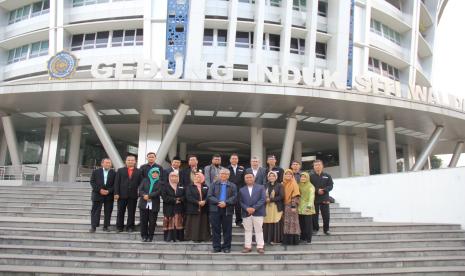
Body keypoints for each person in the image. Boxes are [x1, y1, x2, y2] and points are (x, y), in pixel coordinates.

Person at [207, 168, 237, 253]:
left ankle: (227, 247)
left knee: (227, 229)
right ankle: (216, 247)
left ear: (228, 175)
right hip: (215, 209)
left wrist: (226, 203)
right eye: (222, 174)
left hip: (227, 209)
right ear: (219, 175)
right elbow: (209, 196)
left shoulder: (233, 185)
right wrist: (219, 202)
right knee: (215, 229)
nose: (224, 175)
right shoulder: (213, 184)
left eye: (226, 174)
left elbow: (235, 197)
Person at [114, 155, 142, 232]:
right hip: (121, 195)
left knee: (131, 212)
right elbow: (116, 183)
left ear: (135, 161)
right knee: (120, 211)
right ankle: (119, 227)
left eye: (132, 160)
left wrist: (140, 193)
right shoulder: (120, 170)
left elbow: (141, 184)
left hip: (133, 195)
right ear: (125, 161)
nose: (130, 161)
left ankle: (130, 227)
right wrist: (116, 193)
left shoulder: (139, 171)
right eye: (128, 160)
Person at [239, 172, 266, 254]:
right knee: (247, 230)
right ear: (244, 179)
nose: (249, 179)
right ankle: (247, 247)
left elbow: (263, 199)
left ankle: (260, 247)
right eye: (247, 177)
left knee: (259, 230)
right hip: (246, 212)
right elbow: (240, 201)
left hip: (258, 212)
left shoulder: (261, 187)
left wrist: (254, 208)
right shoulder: (241, 189)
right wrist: (247, 208)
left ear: (254, 178)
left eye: (250, 177)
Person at [89, 158, 116, 233]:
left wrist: (109, 191)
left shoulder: (114, 173)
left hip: (109, 195)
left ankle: (106, 226)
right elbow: (92, 182)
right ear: (102, 163)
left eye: (109, 163)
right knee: (95, 211)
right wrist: (100, 190)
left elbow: (115, 184)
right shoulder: (95, 171)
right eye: (106, 163)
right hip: (97, 194)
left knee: (108, 211)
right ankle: (93, 227)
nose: (108, 164)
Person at [185, 172, 211, 242]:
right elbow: (188, 196)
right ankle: (194, 238)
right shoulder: (189, 187)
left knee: (203, 224)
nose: (196, 178)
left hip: (204, 208)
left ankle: (204, 237)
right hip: (193, 208)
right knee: (194, 224)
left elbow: (209, 195)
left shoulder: (205, 186)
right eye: (195, 177)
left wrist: (205, 201)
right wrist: (198, 202)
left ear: (202, 178)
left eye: (198, 177)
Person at [138, 167, 162, 242]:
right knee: (143, 221)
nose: (155, 174)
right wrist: (144, 195)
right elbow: (140, 189)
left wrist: (149, 196)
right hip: (144, 203)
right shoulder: (145, 180)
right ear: (150, 173)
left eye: (156, 173)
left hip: (154, 204)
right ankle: (144, 236)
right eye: (153, 173)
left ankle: (150, 236)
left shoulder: (160, 182)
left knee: (152, 222)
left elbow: (158, 191)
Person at [310, 159, 334, 235]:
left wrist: (324, 190)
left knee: (326, 215)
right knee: (314, 215)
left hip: (325, 198)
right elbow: (309, 186)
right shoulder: (310, 176)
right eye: (316, 165)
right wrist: (317, 190)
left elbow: (331, 186)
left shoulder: (327, 176)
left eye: (319, 165)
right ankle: (315, 229)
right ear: (313, 167)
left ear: (322, 166)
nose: (317, 166)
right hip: (314, 198)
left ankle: (326, 229)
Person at [161, 171, 185, 242]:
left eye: (176, 176)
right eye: (172, 176)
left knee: (178, 222)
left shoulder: (181, 185)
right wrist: (174, 200)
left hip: (179, 208)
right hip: (168, 207)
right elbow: (164, 197)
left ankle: (178, 238)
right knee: (170, 222)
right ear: (169, 177)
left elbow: (185, 195)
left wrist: (180, 199)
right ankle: (169, 238)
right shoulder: (165, 186)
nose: (174, 178)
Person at [263, 171, 284, 245]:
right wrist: (265, 199)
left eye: (273, 176)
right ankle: (266, 239)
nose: (271, 177)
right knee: (267, 222)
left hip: (276, 206)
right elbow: (262, 195)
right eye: (270, 176)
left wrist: (271, 199)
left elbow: (281, 196)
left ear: (276, 177)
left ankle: (275, 239)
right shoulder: (265, 185)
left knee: (275, 222)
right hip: (266, 207)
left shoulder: (279, 185)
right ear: (268, 177)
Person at [282, 169, 301, 245]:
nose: (288, 176)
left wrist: (293, 206)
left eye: (290, 174)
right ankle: (287, 240)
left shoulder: (294, 183)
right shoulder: (283, 183)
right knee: (286, 222)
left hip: (292, 205)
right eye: (286, 174)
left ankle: (294, 241)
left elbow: (296, 195)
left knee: (293, 222)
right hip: (284, 205)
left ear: (292, 176)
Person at [228, 153, 245, 227]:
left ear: (238, 160)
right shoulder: (227, 169)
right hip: (229, 190)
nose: (234, 160)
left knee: (238, 207)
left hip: (239, 190)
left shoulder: (242, 169)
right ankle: (228, 221)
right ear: (230, 160)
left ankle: (239, 221)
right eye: (233, 158)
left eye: (236, 158)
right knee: (229, 206)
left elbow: (244, 180)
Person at [298, 172, 315, 243]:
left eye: (304, 177)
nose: (303, 178)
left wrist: (309, 206)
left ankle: (308, 239)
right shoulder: (298, 185)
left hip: (308, 207)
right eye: (302, 177)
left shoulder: (311, 186)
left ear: (307, 178)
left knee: (308, 224)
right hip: (300, 207)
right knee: (301, 223)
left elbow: (312, 196)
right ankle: (302, 237)